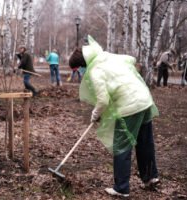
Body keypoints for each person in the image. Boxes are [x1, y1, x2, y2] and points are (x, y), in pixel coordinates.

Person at [69, 35, 159, 197]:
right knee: (145, 141)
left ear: (82, 65)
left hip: (129, 107)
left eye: (79, 69)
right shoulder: (107, 57)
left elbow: (103, 101)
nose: (81, 73)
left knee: (122, 145)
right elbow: (131, 59)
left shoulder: (95, 70)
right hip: (144, 99)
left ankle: (122, 187)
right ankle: (151, 177)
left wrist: (95, 114)